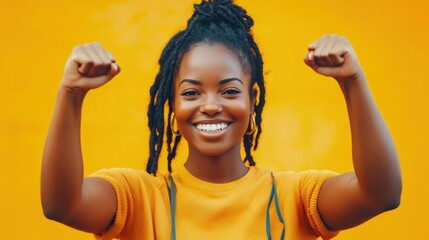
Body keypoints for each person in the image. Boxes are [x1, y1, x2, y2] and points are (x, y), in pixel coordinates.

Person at [41, 0, 402, 239]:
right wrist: (71, 95)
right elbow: (62, 205)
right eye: (192, 92)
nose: (210, 105)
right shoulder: (139, 199)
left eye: (229, 91)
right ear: (172, 103)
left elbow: (380, 195)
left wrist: (352, 82)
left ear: (252, 98)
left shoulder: (293, 198)